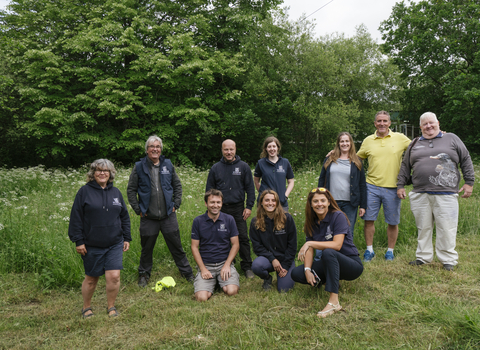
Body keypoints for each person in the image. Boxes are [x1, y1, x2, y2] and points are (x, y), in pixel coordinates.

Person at [397, 112, 474, 271]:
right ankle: (423, 257)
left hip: (446, 192)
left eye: (431, 123)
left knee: (446, 227)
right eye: (425, 124)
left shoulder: (451, 138)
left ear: (438, 123)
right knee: (423, 227)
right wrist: (400, 185)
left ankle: (448, 260)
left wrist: (469, 182)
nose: (429, 126)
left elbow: (465, 158)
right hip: (420, 193)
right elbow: (405, 166)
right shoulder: (414, 143)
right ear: (420, 127)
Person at [127, 135, 194, 287]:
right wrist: (137, 209)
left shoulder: (168, 164)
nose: (155, 149)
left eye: (158, 146)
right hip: (148, 216)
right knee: (147, 249)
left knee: (176, 246)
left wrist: (176, 204)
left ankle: (187, 273)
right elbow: (131, 189)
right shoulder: (139, 166)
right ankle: (144, 275)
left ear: (161, 149)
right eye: (152, 147)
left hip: (168, 216)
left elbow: (177, 185)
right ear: (147, 150)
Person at [68, 159, 131, 318]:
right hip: (91, 245)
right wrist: (79, 241)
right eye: (99, 170)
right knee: (91, 279)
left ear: (110, 174)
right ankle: (86, 307)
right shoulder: (84, 191)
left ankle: (111, 306)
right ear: (93, 173)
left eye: (106, 170)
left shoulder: (116, 192)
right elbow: (76, 217)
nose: (102, 173)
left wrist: (126, 237)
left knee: (114, 277)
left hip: (114, 243)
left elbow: (124, 216)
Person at [291, 188, 363, 318]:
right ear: (311, 204)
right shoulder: (311, 222)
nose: (320, 204)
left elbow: (337, 245)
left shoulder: (337, 216)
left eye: (323, 200)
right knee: (297, 274)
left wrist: (310, 243)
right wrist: (307, 269)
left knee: (328, 252)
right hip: (329, 262)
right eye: (316, 201)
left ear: (329, 202)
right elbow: (310, 249)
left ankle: (334, 302)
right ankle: (330, 280)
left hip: (351, 264)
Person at [357, 111, 411, 261]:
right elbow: (357, 158)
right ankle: (369, 250)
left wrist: (441, 137)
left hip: (393, 187)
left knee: (393, 222)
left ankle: (390, 251)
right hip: (371, 187)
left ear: (389, 123)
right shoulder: (368, 140)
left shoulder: (400, 138)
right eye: (379, 121)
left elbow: (418, 146)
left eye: (385, 121)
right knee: (369, 219)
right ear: (375, 123)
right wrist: (335, 154)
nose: (382, 123)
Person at [206, 139, 255, 278]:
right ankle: (228, 263)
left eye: (231, 149)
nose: (229, 152)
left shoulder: (243, 167)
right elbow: (209, 190)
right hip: (220, 210)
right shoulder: (215, 168)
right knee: (222, 237)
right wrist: (212, 209)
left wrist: (249, 206)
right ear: (222, 150)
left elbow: (250, 189)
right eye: (226, 150)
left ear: (235, 149)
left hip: (239, 208)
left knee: (243, 237)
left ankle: (247, 266)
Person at [191, 189, 240, 301]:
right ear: (206, 203)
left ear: (222, 204)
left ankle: (221, 279)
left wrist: (227, 264)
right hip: (207, 264)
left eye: (218, 202)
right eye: (212, 202)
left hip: (224, 263)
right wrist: (203, 269)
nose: (215, 205)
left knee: (231, 291)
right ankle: (213, 280)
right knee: (202, 298)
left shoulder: (229, 219)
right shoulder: (198, 221)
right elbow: (194, 247)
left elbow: (236, 244)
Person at [318, 132, 367, 234]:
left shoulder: (357, 161)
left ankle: (346, 250)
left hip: (350, 203)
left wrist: (363, 205)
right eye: (342, 141)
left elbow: (362, 184)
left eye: (347, 141)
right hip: (332, 201)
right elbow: (322, 180)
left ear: (351, 143)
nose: (344, 144)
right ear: (338, 144)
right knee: (330, 230)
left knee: (348, 231)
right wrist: (320, 198)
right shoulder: (329, 159)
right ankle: (330, 250)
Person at [250, 190, 297, 292]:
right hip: (268, 259)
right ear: (261, 202)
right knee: (257, 266)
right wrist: (272, 259)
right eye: (267, 200)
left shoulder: (287, 218)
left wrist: (285, 265)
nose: (270, 203)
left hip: (285, 259)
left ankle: (284, 274)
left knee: (284, 289)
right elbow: (257, 247)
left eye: (273, 200)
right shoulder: (255, 222)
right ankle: (267, 278)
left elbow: (292, 244)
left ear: (277, 203)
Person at [254, 136, 295, 211]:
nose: (272, 149)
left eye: (274, 146)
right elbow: (256, 180)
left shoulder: (285, 162)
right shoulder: (261, 163)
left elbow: (291, 181)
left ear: (278, 148)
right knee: (263, 222)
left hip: (281, 202)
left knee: (282, 222)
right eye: (269, 147)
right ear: (266, 148)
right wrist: (262, 194)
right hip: (265, 203)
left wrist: (285, 196)